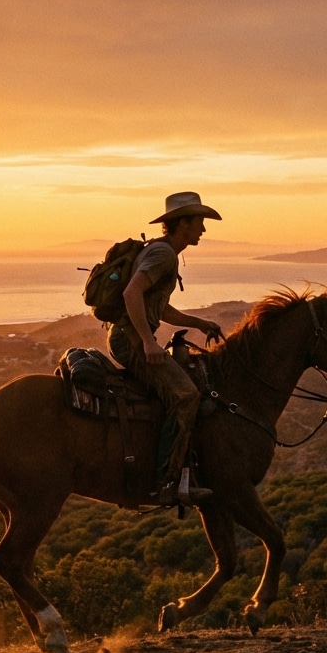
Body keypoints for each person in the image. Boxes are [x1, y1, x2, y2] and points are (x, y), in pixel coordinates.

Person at [108, 192, 225, 507]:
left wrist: (199, 322)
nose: (202, 229)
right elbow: (133, 293)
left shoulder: (161, 253)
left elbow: (158, 307)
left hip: (130, 335)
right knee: (186, 396)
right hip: (129, 339)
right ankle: (166, 483)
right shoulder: (164, 255)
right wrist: (148, 342)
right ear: (183, 223)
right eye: (199, 222)